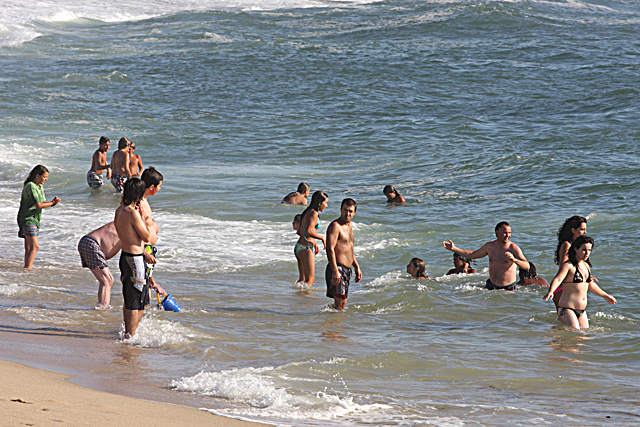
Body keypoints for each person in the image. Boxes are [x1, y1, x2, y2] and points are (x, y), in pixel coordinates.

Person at [114, 178, 161, 337]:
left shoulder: (120, 209)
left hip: (125, 257)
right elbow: (146, 235)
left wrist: (145, 253)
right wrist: (142, 217)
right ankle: (130, 335)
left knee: (129, 298)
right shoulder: (132, 213)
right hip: (135, 260)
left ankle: (128, 332)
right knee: (137, 300)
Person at [78, 221, 158, 308]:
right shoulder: (135, 226)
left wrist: (152, 282)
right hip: (92, 243)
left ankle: (101, 308)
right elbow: (142, 261)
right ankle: (102, 312)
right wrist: (146, 255)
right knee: (107, 280)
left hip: (88, 242)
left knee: (108, 279)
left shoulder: (130, 222)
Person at [543, 235, 616, 329]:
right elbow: (558, 279)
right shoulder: (568, 265)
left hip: (581, 310)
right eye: (584, 249)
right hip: (567, 309)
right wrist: (551, 291)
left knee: (584, 336)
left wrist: (605, 295)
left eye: (589, 250)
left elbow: (591, 285)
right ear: (576, 249)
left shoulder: (586, 266)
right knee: (575, 333)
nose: (587, 253)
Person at [443, 221, 530, 290]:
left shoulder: (513, 248)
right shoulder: (490, 246)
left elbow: (527, 266)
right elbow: (473, 255)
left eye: (509, 233)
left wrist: (514, 260)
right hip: (491, 286)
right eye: (505, 233)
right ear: (497, 233)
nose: (508, 235)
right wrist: (454, 249)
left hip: (509, 288)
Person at [17, 165, 61, 269]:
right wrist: (52, 203)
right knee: (35, 246)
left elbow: (41, 202)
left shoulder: (39, 186)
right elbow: (38, 205)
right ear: (37, 175)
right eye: (44, 177)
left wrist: (52, 203)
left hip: (32, 219)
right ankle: (28, 269)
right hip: (28, 219)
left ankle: (26, 269)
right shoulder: (31, 186)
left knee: (29, 247)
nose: (46, 179)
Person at [325, 198, 362, 310]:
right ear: (340, 210)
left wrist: (356, 267)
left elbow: (349, 249)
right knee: (341, 304)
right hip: (338, 268)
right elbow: (329, 249)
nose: (347, 213)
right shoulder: (336, 226)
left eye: (350, 211)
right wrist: (335, 271)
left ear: (354, 212)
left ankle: (325, 319)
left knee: (340, 304)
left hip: (346, 269)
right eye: (345, 210)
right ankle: (336, 326)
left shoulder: (349, 227)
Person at [551, 216, 588, 309]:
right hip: (563, 288)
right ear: (573, 230)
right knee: (564, 318)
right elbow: (564, 265)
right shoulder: (567, 245)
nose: (585, 232)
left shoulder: (577, 246)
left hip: (570, 287)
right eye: (582, 229)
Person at [294, 191, 328, 287]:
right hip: (306, 247)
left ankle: (296, 297)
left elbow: (301, 231)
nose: (326, 205)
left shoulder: (307, 212)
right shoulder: (314, 214)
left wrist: (314, 242)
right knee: (311, 279)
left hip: (299, 247)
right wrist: (322, 238)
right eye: (325, 203)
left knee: (302, 279)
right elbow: (309, 231)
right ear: (319, 203)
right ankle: (307, 301)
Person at [139, 167, 164, 294]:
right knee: (141, 291)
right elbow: (134, 232)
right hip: (143, 250)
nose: (160, 189)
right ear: (152, 187)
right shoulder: (139, 203)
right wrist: (144, 253)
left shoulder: (144, 200)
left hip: (147, 249)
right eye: (160, 186)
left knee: (146, 290)